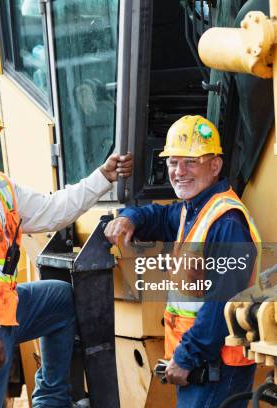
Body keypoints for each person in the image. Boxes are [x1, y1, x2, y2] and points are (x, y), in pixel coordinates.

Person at [0, 91, 133, 408]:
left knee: (60, 299)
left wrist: (102, 177)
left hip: (4, 308)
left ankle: (50, 400)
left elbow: (53, 209)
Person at [104, 115, 260, 408]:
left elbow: (221, 304)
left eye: (190, 162)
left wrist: (186, 357)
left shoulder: (226, 221)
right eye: (173, 162)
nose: (179, 172)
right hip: (201, 369)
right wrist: (130, 217)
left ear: (215, 166)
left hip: (216, 369)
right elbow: (160, 216)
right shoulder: (194, 209)